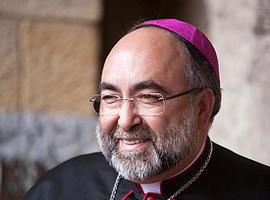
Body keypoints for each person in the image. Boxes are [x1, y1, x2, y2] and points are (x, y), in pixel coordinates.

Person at [24, 18, 270, 200]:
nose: (125, 120)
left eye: (149, 97)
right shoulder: (58, 189)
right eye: (111, 97)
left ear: (202, 107)